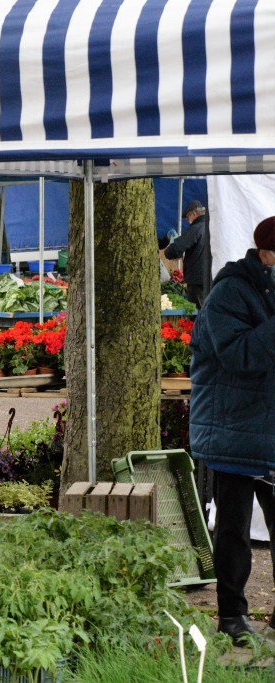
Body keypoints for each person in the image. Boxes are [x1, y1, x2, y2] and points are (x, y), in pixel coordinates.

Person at [189, 216, 275, 644]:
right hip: (234, 430)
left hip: (268, 430)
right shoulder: (228, 293)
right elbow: (241, 356)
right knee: (234, 531)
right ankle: (232, 617)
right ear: (266, 254)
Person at [165, 200, 208, 306]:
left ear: (194, 214)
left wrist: (168, 252)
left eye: (188, 217)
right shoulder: (212, 227)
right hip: (210, 278)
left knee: (197, 311)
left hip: (197, 280)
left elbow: (177, 247)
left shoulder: (196, 228)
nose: (188, 221)